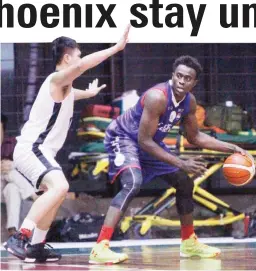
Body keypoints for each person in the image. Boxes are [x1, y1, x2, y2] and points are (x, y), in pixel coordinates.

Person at [89, 55, 251, 264]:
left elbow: (195, 137)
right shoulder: (157, 97)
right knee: (133, 183)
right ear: (172, 75)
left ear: (195, 82)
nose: (182, 81)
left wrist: (233, 148)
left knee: (184, 181)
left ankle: (189, 243)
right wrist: (181, 162)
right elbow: (144, 141)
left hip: (149, 141)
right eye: (179, 76)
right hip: (124, 137)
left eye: (188, 78)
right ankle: (100, 247)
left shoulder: (189, 102)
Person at [3, 25, 130, 263]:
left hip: (40, 151)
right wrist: (116, 47)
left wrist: (89, 95)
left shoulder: (65, 88)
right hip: (32, 148)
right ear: (67, 57)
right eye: (78, 55)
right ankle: (20, 237)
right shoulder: (57, 78)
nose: (80, 60)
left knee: (56, 192)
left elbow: (71, 93)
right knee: (60, 186)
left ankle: (37, 246)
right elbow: (81, 67)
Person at [1, 114, 36, 236]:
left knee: (12, 187)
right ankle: (32, 194)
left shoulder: (10, 144)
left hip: (5, 188)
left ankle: (12, 229)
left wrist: (11, 164)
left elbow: (23, 163)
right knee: (8, 172)